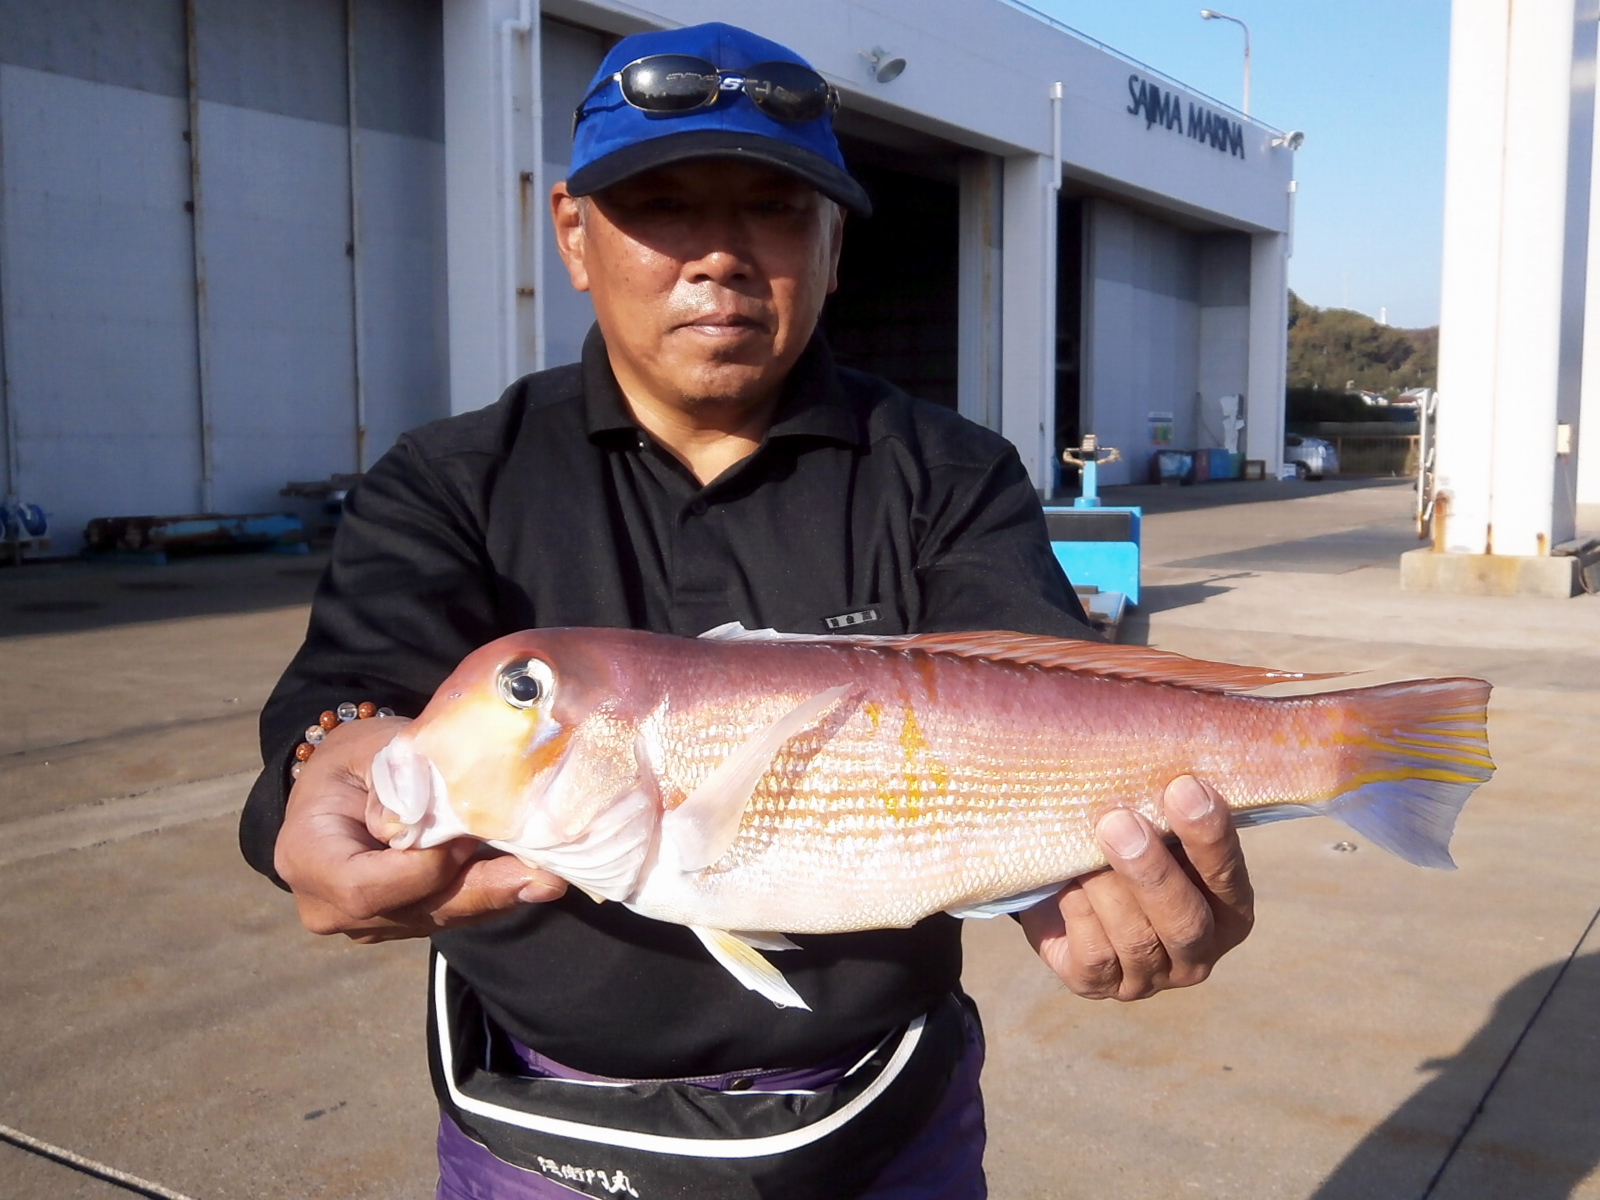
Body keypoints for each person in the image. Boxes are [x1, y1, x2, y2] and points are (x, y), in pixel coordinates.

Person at [240, 21, 1254, 1200]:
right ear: (574, 232)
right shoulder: (448, 477)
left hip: (887, 1126)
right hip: (541, 1131)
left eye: (775, 210)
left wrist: (1105, 877)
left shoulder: (946, 468)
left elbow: (1041, 698)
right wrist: (330, 763)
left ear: (833, 246)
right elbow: (343, 693)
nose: (719, 255)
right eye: (662, 205)